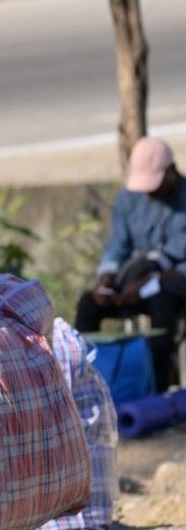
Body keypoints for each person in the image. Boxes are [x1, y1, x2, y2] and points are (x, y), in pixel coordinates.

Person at [75, 137, 186, 391]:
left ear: (170, 171)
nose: (150, 191)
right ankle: (83, 384)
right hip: (131, 282)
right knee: (89, 304)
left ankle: (157, 387)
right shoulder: (129, 198)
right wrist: (107, 278)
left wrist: (154, 280)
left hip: (173, 285)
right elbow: (117, 245)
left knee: (163, 301)